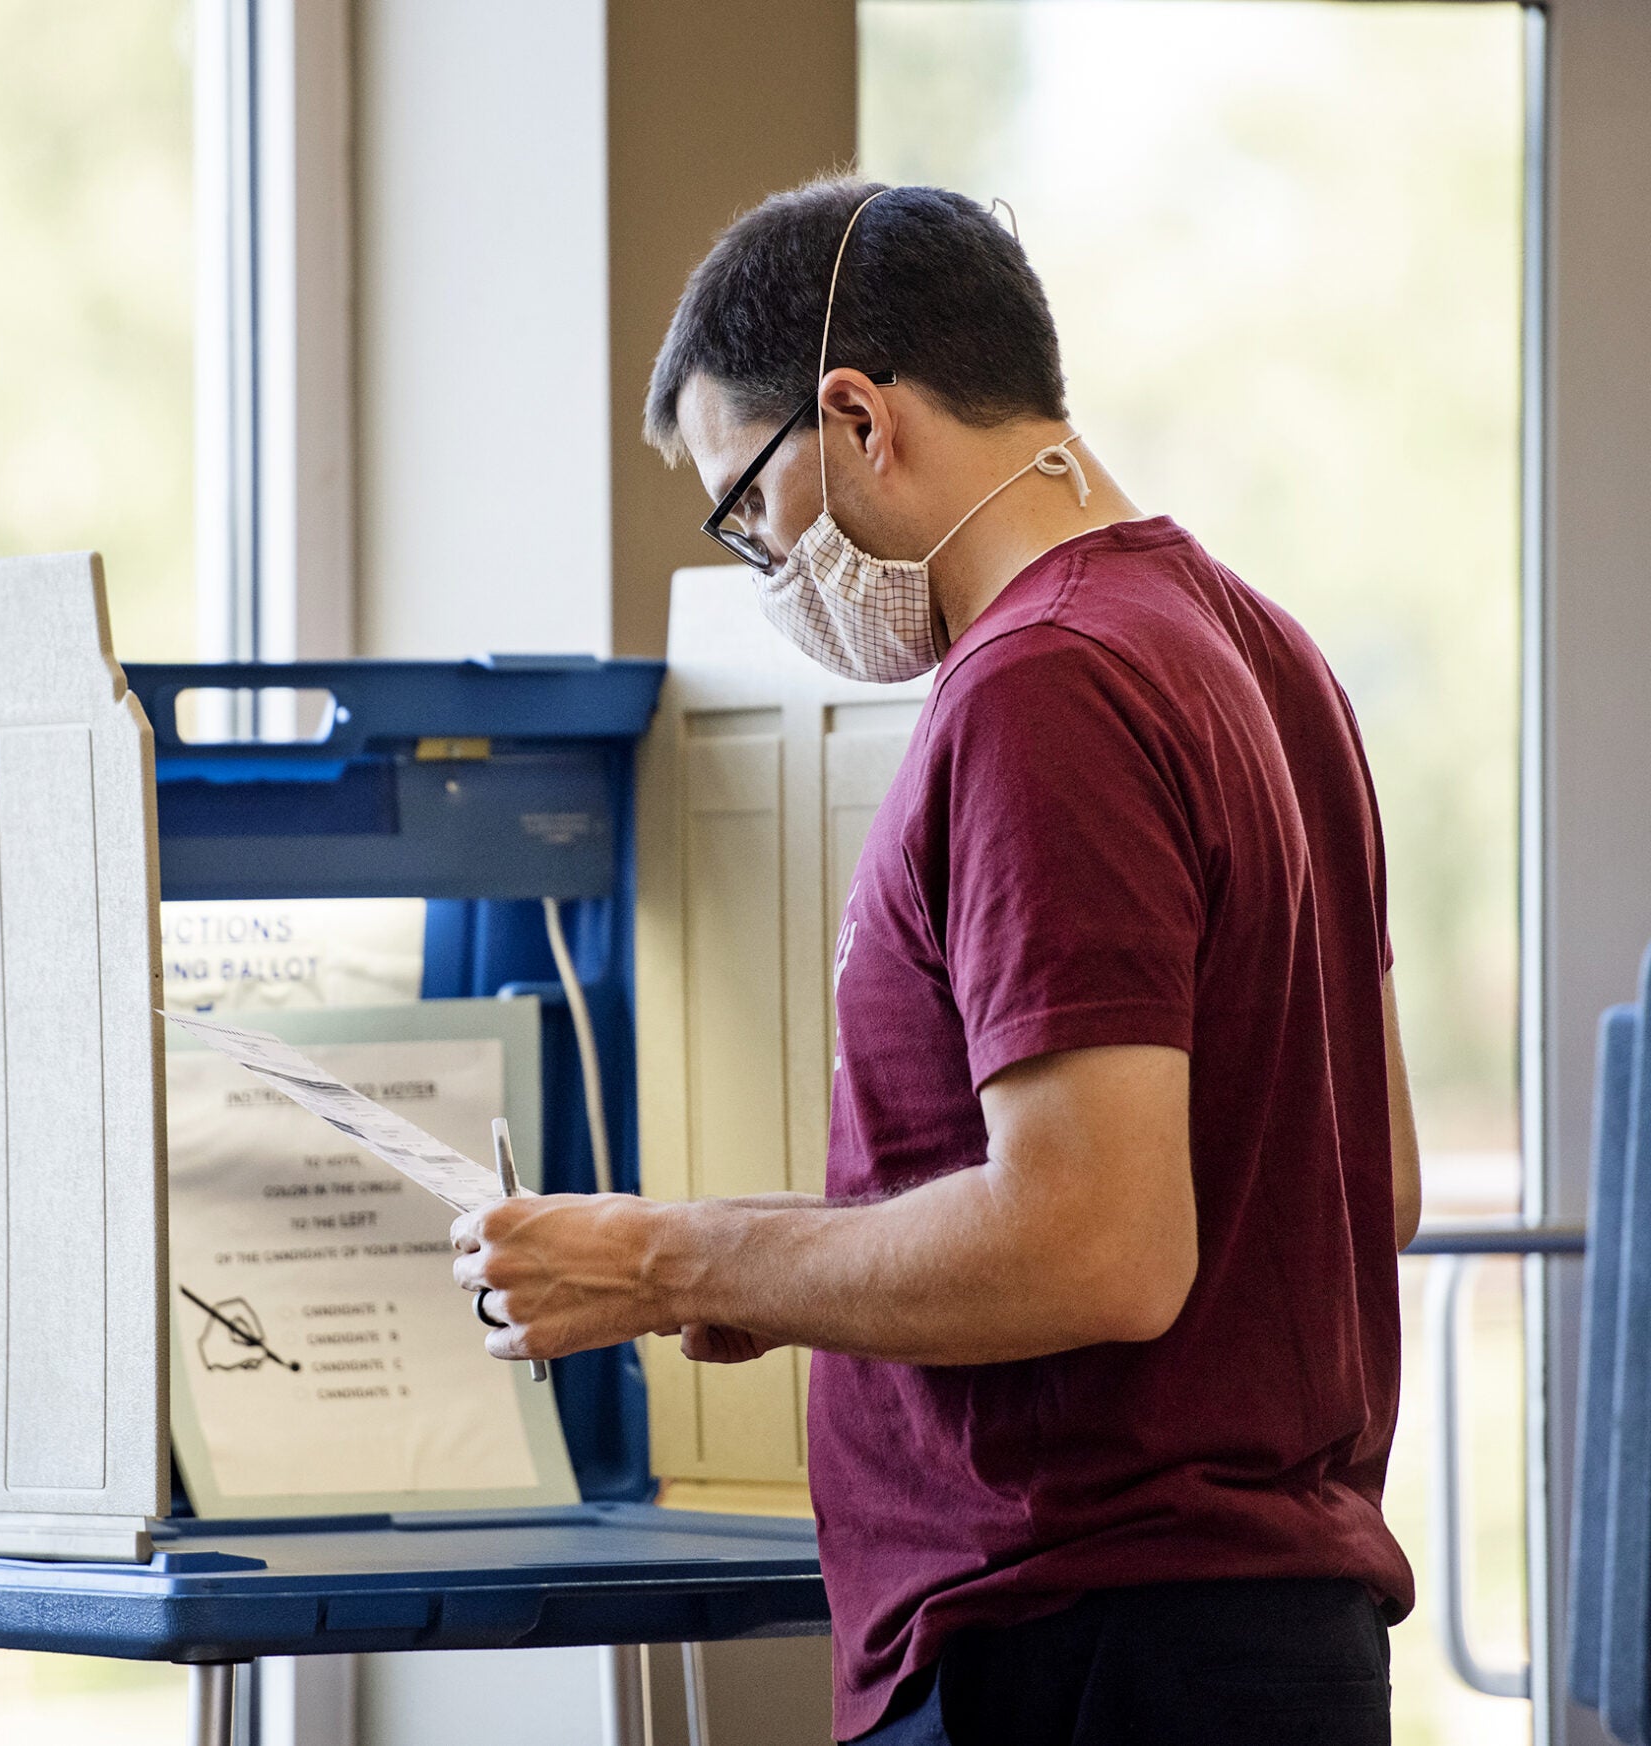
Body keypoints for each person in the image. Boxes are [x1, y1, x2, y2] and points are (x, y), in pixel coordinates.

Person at [451, 178, 1419, 1744]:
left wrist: (664, 1265)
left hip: (1081, 1644)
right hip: (1247, 1643)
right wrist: (735, 1250)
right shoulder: (1264, 651)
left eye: (748, 509)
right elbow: (1368, 1181)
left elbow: (1095, 1240)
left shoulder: (1044, 684)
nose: (767, 570)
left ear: (855, 416)